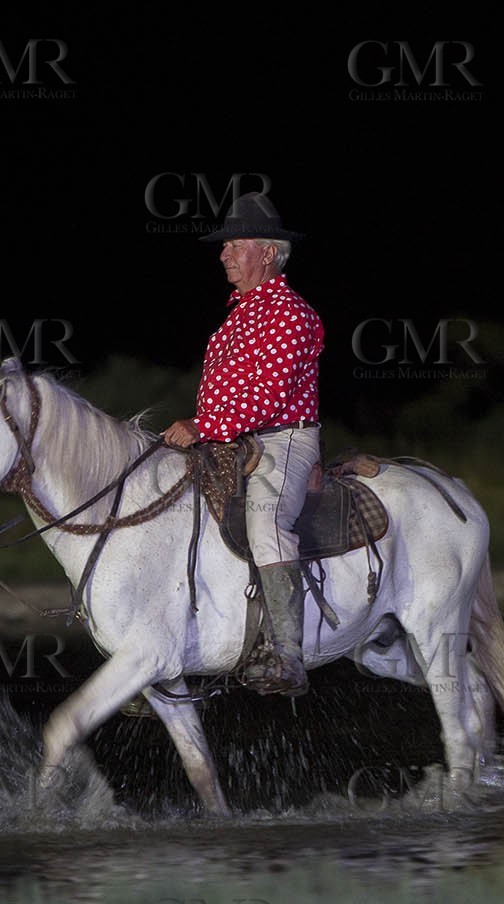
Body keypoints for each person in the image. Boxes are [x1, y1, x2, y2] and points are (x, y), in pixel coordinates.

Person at [162, 192, 323, 696]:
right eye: (225, 246)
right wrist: (206, 429)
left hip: (283, 439)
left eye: (235, 245)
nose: (224, 255)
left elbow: (268, 396)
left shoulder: (292, 314)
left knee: (266, 520)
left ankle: (289, 655)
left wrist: (203, 426)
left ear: (268, 254)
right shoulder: (235, 318)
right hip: (234, 439)